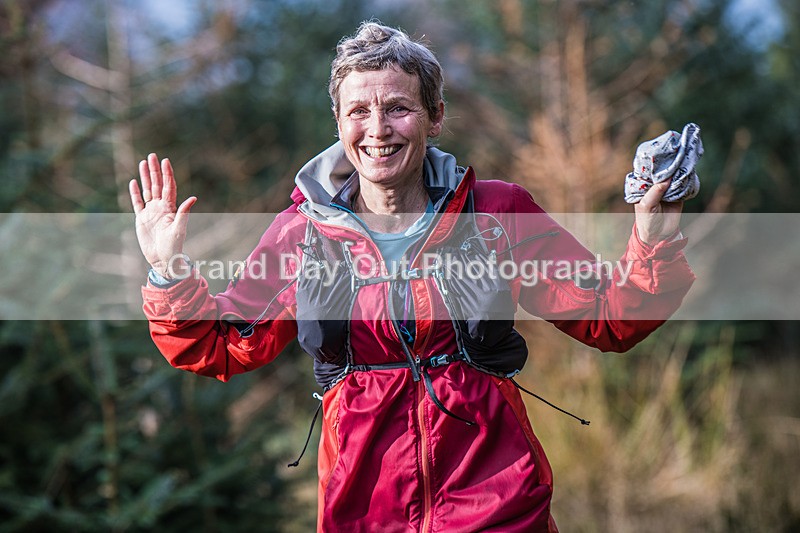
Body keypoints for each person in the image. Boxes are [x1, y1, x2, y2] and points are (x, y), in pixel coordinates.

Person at [129, 22, 695, 532]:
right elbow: (223, 344)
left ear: (435, 116)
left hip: (497, 506)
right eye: (358, 111)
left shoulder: (496, 214)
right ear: (339, 123)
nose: (377, 128)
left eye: (398, 108)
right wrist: (167, 268)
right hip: (363, 511)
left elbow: (611, 319)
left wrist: (654, 239)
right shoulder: (299, 233)